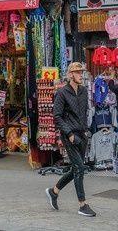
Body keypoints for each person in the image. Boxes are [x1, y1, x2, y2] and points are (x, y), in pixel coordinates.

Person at [45, 62, 96, 218]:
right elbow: (57, 117)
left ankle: (54, 192)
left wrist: (86, 131)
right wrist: (69, 134)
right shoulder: (62, 93)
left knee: (76, 168)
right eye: (78, 72)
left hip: (82, 135)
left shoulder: (83, 91)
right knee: (80, 168)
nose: (81, 75)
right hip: (70, 136)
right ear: (71, 75)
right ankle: (82, 204)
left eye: (82, 72)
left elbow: (85, 112)